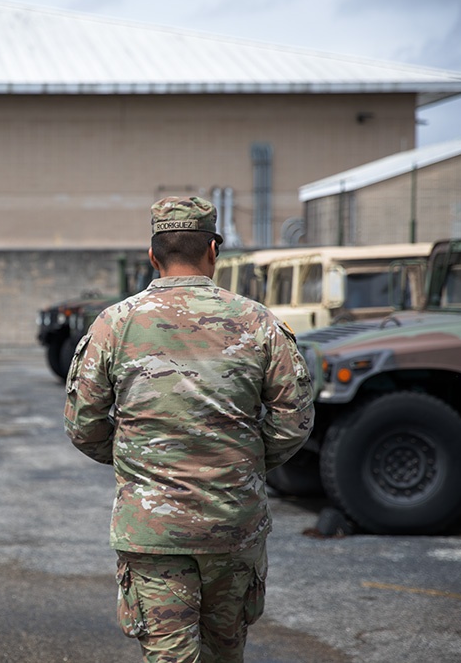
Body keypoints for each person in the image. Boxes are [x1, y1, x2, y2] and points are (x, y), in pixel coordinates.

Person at [64, 197, 314, 663]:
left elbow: (83, 424)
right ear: (213, 250)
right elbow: (294, 420)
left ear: (153, 255)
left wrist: (141, 463)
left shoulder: (115, 324)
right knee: (226, 653)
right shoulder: (259, 322)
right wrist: (241, 460)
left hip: (153, 530)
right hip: (233, 524)